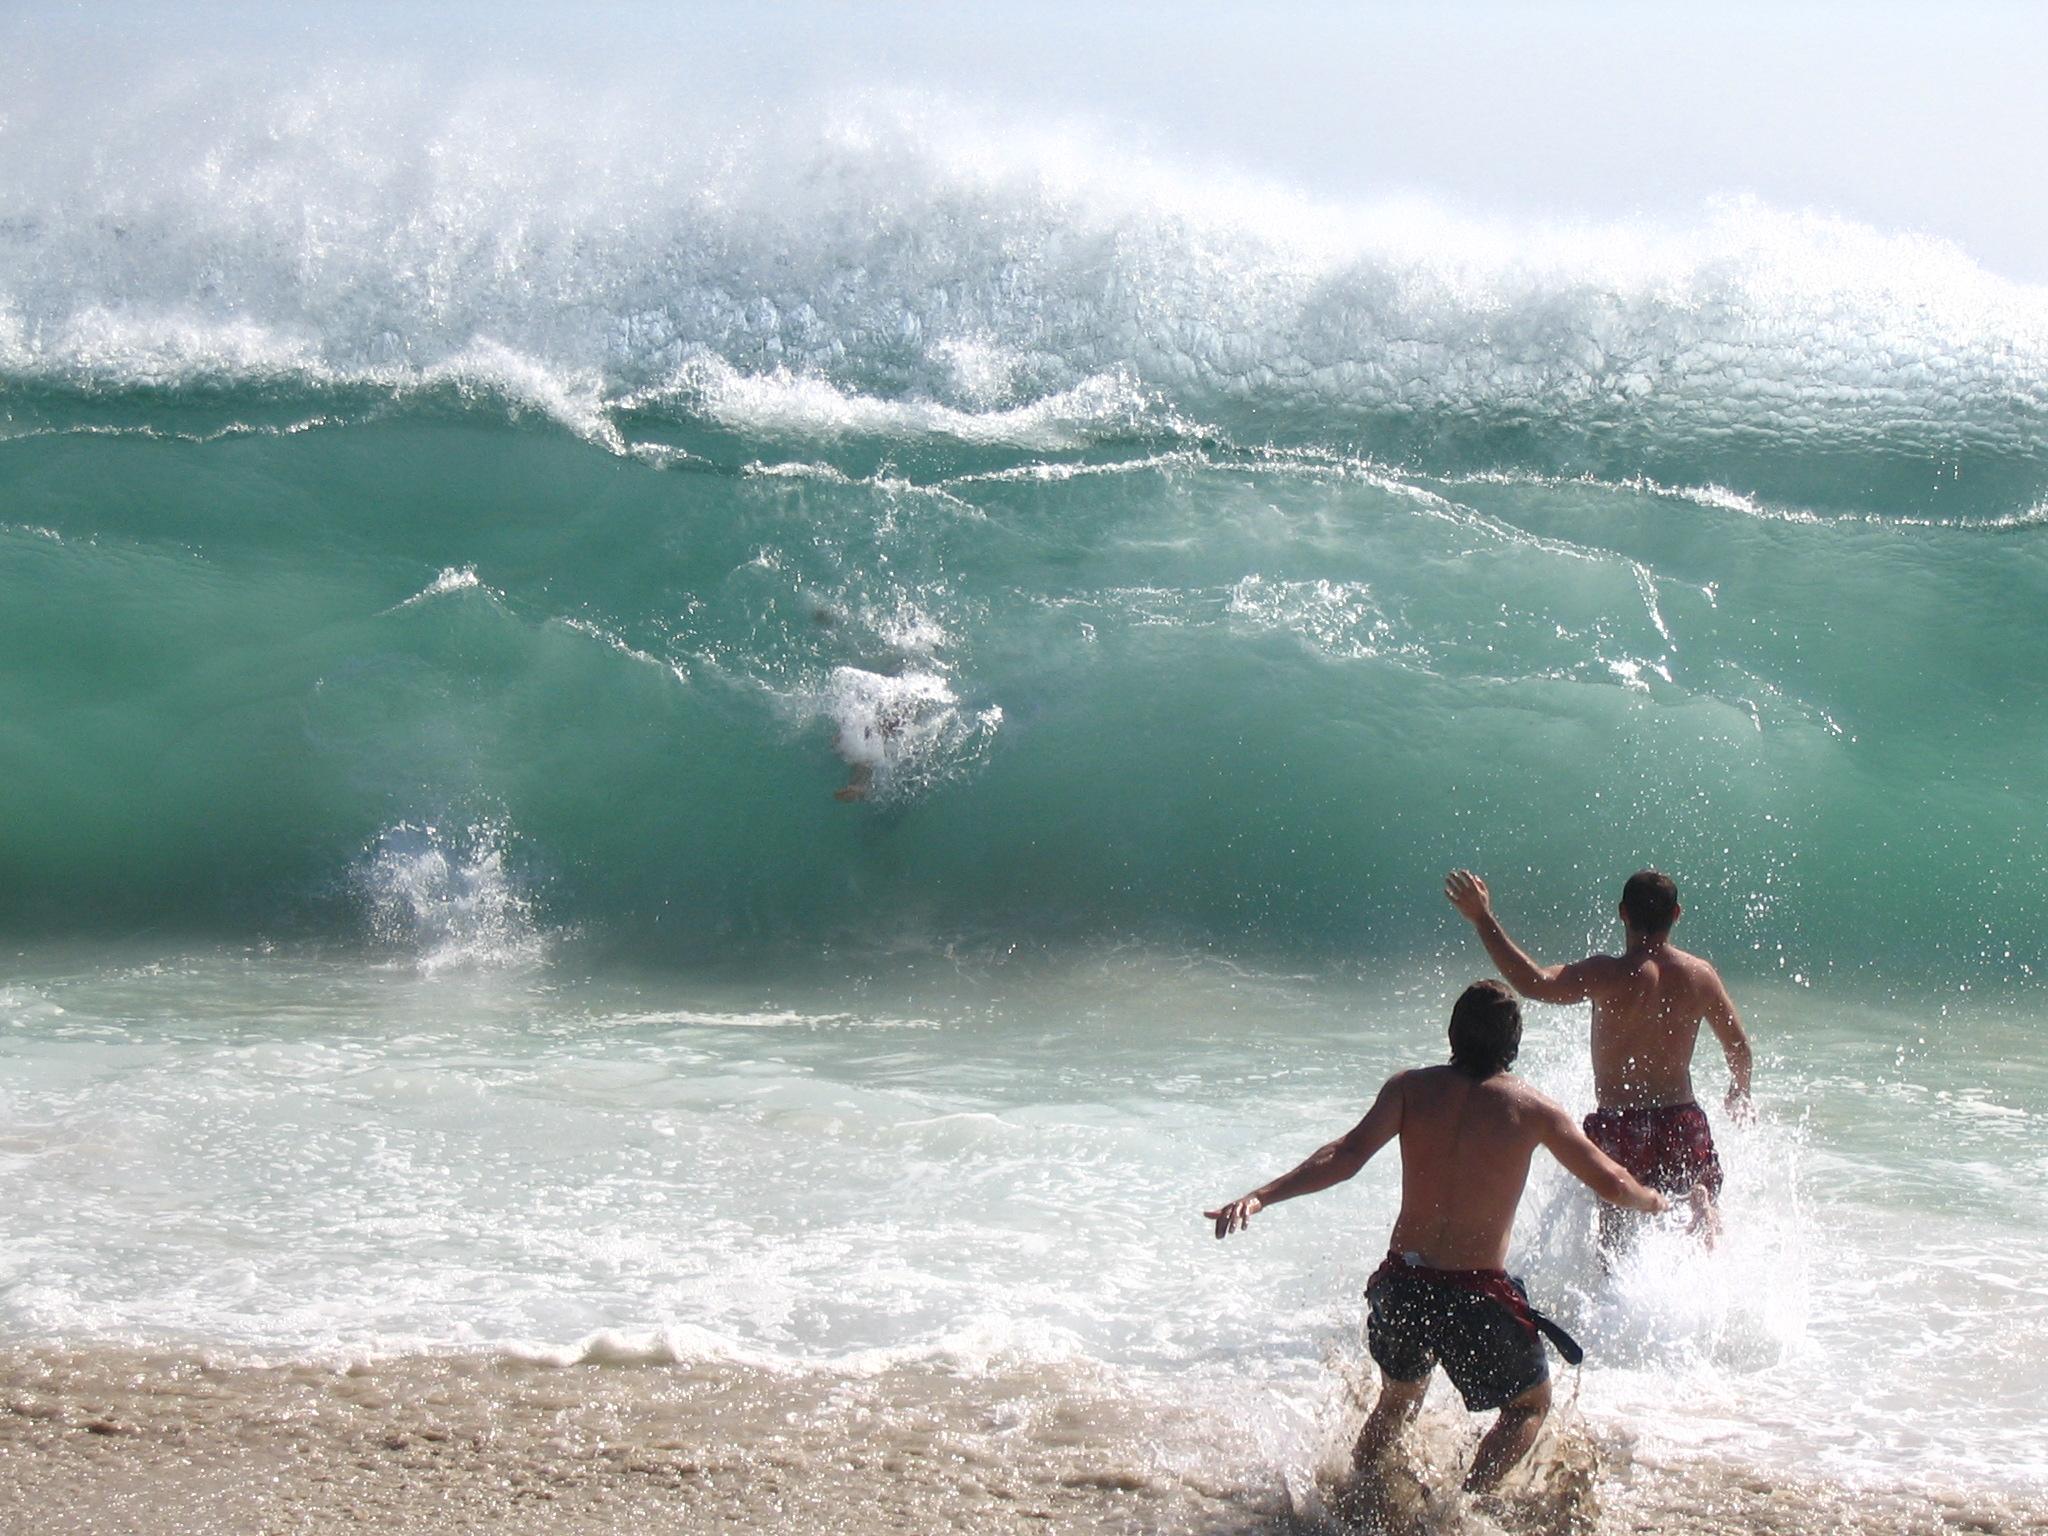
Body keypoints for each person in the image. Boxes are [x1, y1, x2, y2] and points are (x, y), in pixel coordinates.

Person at [1204, 981, 1667, 1496]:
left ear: (1453, 1032)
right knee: (1528, 1407)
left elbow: (1346, 1155)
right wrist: (1654, 1199)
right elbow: (1614, 1184)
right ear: (1513, 1043)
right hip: (1475, 1295)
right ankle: (1460, 1510)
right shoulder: (1534, 1109)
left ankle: (1350, 1502)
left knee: (1399, 1400)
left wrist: (1261, 1196)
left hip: (1402, 1286)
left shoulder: (1409, 1088)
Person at [1444, 868, 1753, 1246]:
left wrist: (1482, 918)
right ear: (1676, 914)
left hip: (1620, 1121)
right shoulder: (1700, 975)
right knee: (1695, 1203)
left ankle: (1615, 1302)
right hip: (1682, 1116)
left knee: (1616, 1243)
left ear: (1623, 912)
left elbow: (1532, 983)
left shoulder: (1607, 974)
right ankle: (1703, 1217)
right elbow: (1738, 1046)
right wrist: (1740, 1089)